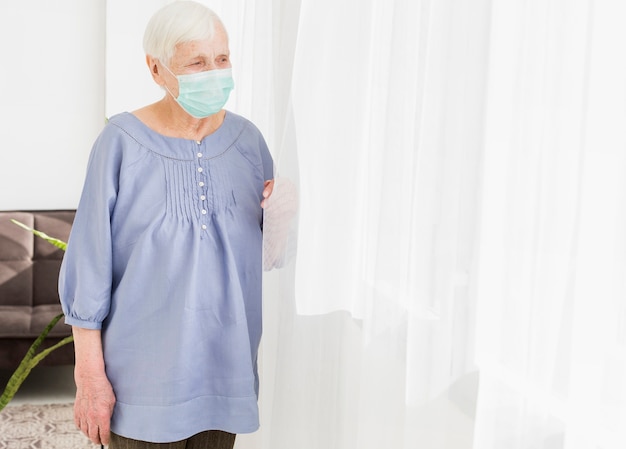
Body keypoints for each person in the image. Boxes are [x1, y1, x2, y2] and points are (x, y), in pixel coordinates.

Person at [58, 2, 274, 447]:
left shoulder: (249, 141)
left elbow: (265, 256)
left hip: (224, 375)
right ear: (156, 69)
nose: (213, 72)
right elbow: (89, 266)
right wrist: (89, 378)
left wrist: (285, 211)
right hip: (141, 387)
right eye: (196, 62)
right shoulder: (120, 142)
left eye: (222, 59)